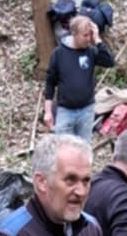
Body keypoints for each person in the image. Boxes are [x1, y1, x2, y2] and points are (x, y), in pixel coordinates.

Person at [43, 15, 115, 143]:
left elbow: (109, 62)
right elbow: (50, 83)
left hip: (86, 110)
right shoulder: (59, 54)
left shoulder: (91, 52)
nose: (88, 39)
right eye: (85, 35)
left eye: (90, 35)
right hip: (65, 111)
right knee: (63, 151)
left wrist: (97, 39)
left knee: (84, 152)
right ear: (74, 34)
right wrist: (48, 112)